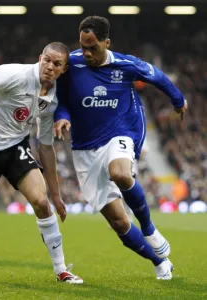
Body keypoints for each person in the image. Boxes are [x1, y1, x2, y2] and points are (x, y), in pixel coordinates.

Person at [54, 16, 188, 280]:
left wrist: (178, 99)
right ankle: (159, 262)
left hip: (122, 129)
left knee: (121, 173)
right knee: (119, 223)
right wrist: (63, 115)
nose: (87, 53)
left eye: (93, 47)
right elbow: (62, 100)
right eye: (83, 46)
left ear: (107, 42)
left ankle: (149, 228)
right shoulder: (72, 63)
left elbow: (157, 76)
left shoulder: (125, 64)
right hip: (84, 147)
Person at [0, 42, 83, 284]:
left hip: (16, 148)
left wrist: (56, 195)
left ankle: (61, 270)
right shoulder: (13, 74)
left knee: (41, 202)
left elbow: (45, 147)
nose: (49, 67)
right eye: (47, 60)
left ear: (64, 70)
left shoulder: (53, 99)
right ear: (40, 58)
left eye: (57, 64)